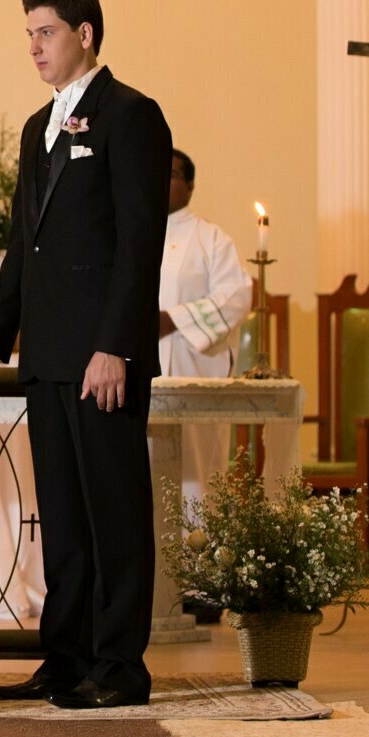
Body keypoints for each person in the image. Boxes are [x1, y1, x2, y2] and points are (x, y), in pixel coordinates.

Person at [0, 0, 172, 710]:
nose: (34, 47)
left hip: (101, 358)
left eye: (45, 32)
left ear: (84, 33)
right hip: (46, 356)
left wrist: (115, 345)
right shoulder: (35, 129)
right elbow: (26, 247)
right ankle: (66, 658)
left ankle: (120, 669)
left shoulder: (131, 116)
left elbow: (140, 244)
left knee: (113, 512)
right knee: (63, 517)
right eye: (28, 35)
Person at [156, 148, 252, 503]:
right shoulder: (126, 233)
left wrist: (173, 319)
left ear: (190, 185)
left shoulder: (211, 239)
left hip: (190, 367)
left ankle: (198, 556)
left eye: (168, 174)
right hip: (135, 374)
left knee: (195, 477)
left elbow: (237, 295)